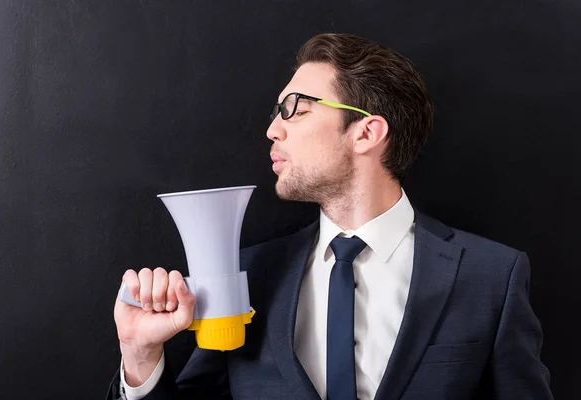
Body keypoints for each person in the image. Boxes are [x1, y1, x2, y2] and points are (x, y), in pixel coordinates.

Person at [107, 33, 553, 400]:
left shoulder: (492, 277)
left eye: (296, 110)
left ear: (366, 132)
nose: (272, 129)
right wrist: (139, 356)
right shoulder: (247, 274)